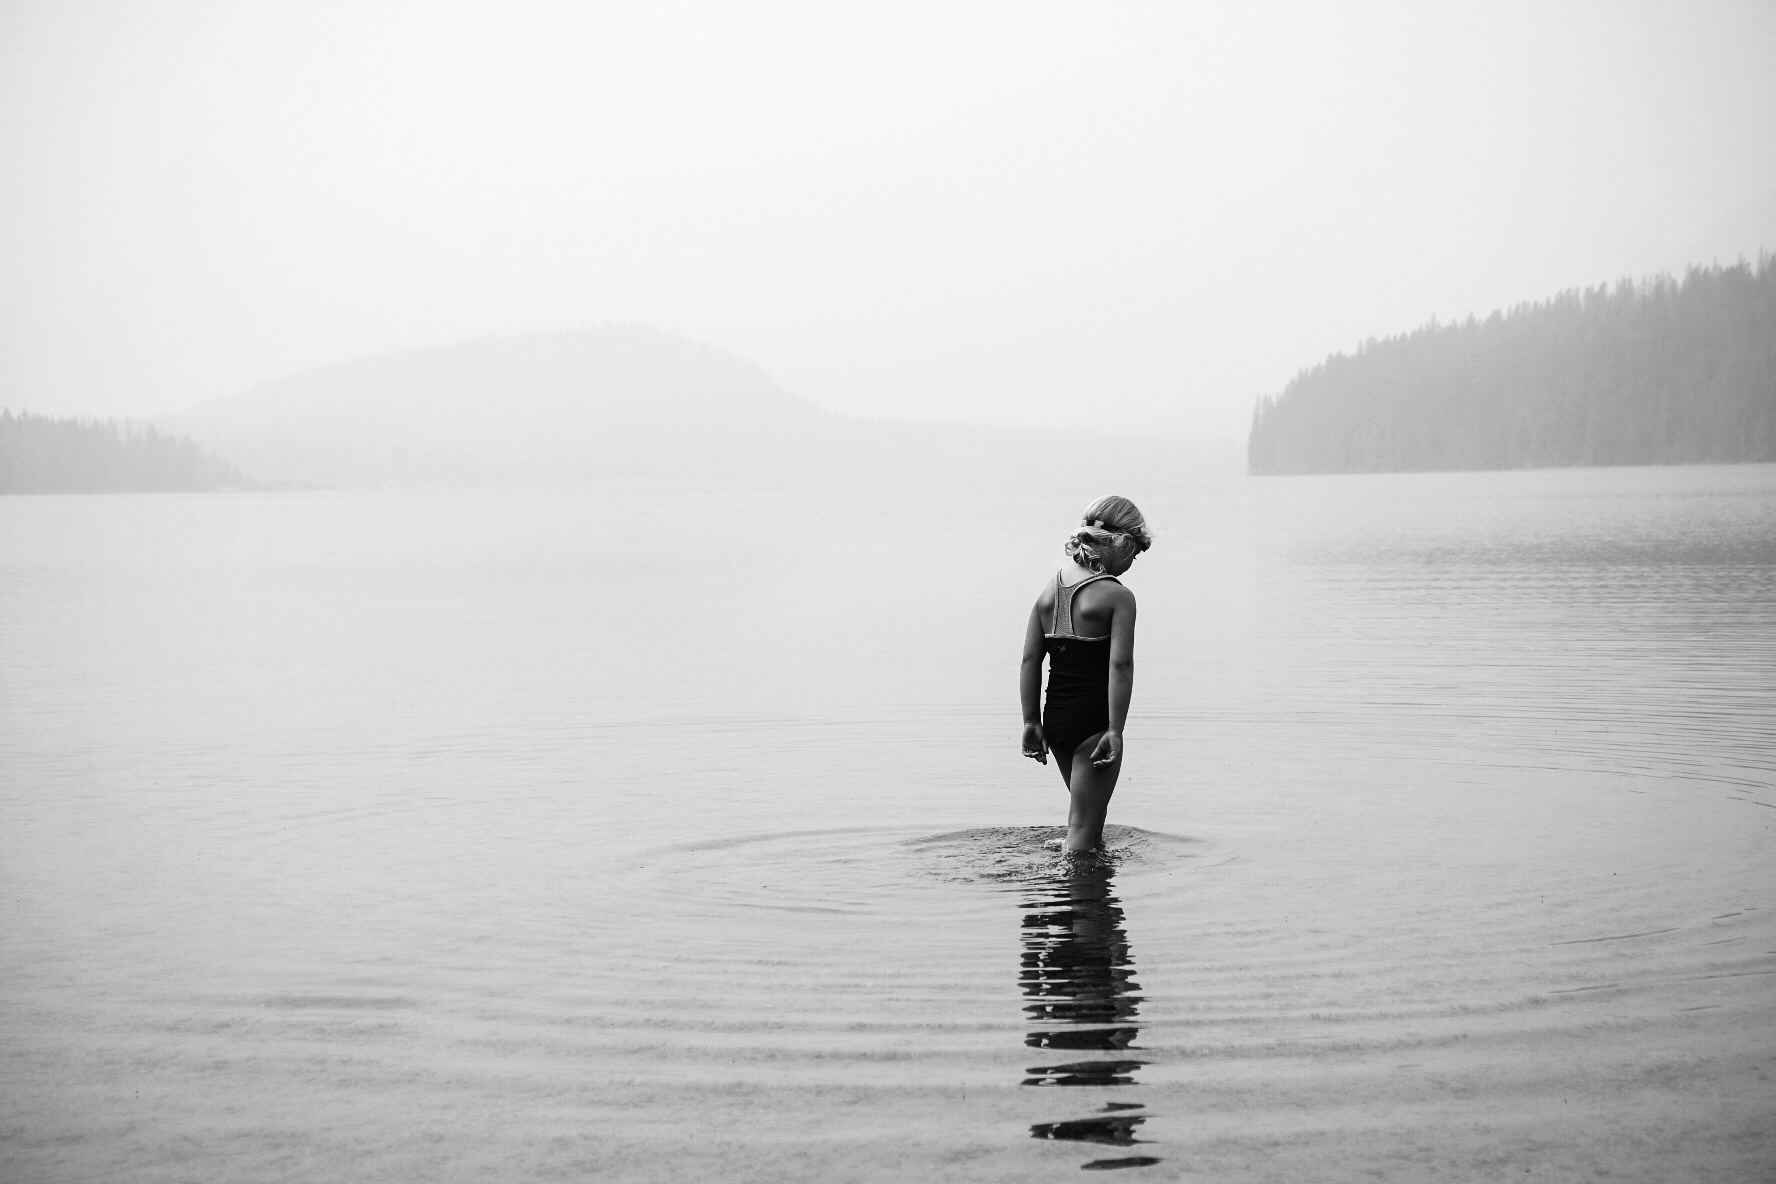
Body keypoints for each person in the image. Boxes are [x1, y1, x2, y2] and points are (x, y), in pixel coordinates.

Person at [1020, 495, 1152, 854]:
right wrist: (1115, 731)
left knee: (1091, 824)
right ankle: (1067, 891)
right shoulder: (1117, 596)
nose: (1131, 564)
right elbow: (1120, 665)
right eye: (1135, 553)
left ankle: (1087, 904)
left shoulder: (1050, 590)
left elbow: (1031, 659)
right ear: (1121, 543)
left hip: (1057, 721)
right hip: (1093, 725)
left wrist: (1031, 722)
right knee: (1081, 828)